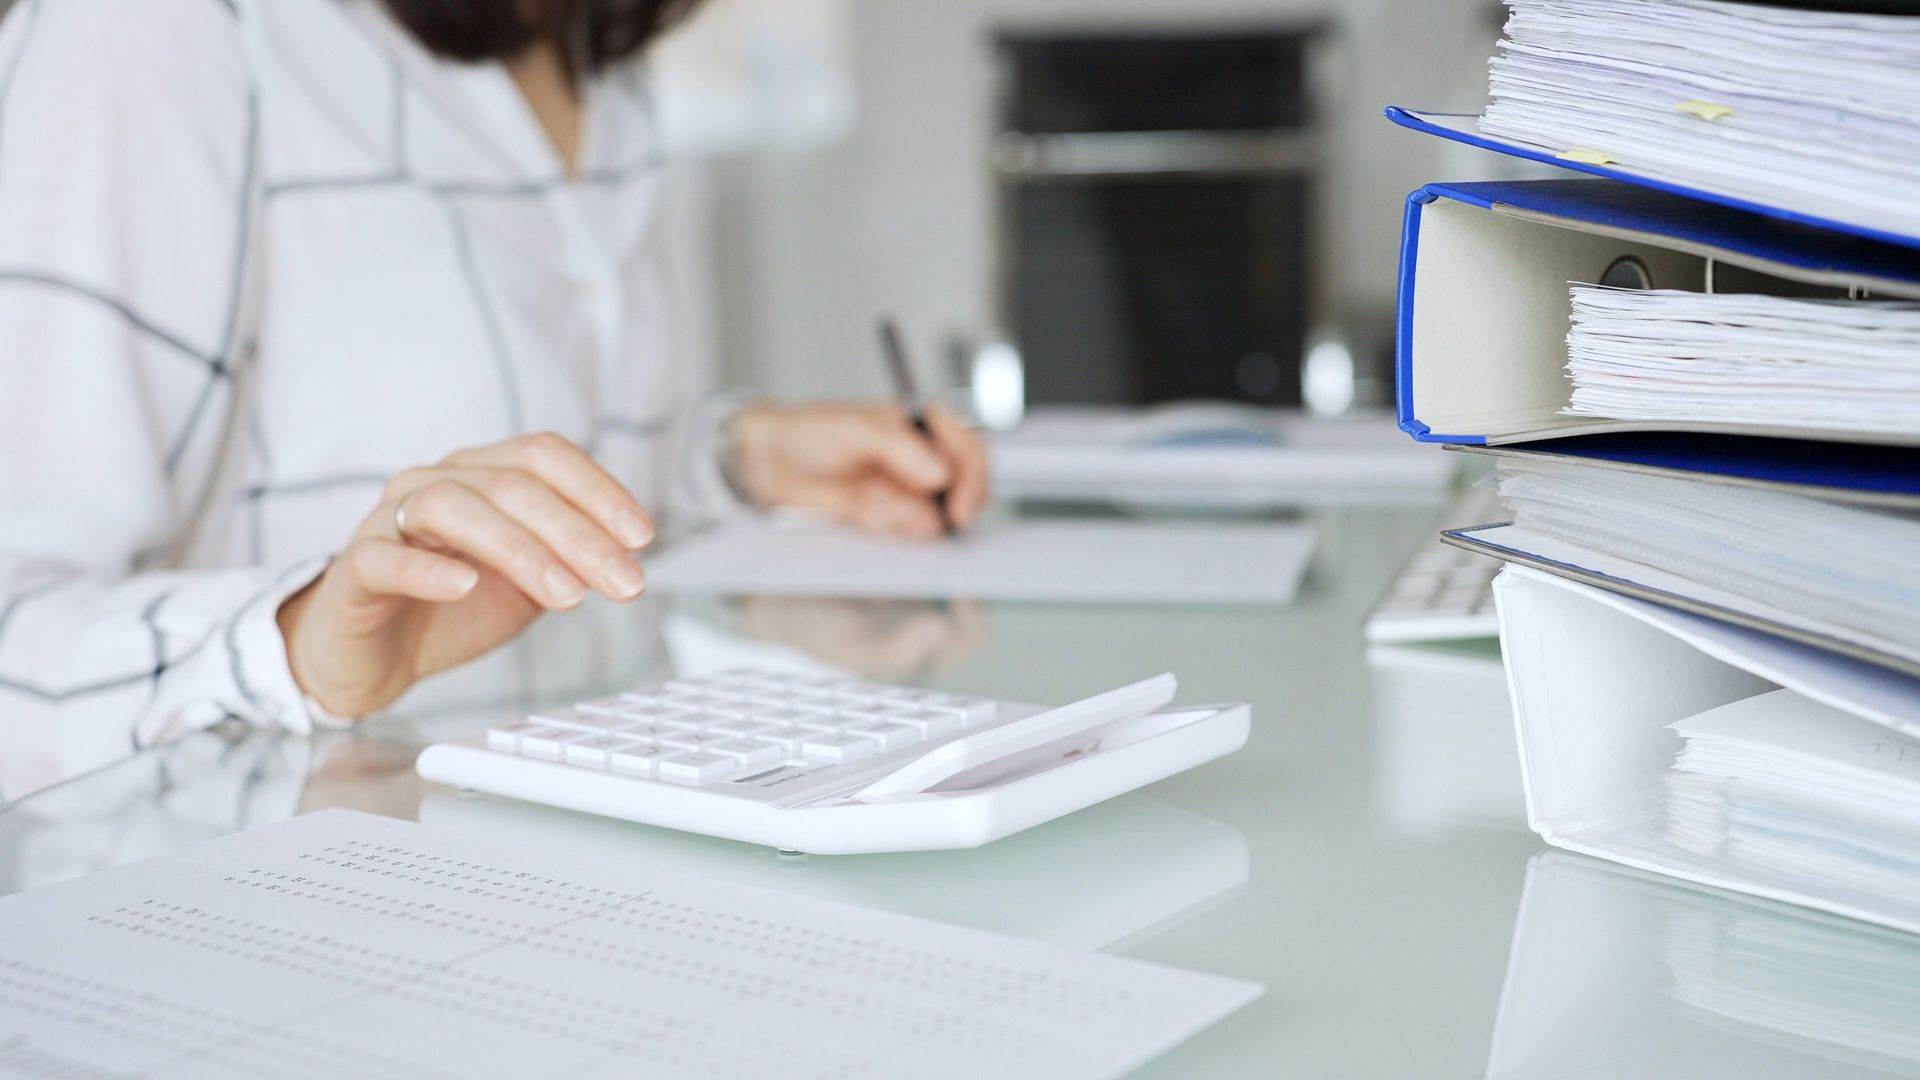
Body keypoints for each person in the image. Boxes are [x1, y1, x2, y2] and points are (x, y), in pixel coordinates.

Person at [0, 0, 989, 801]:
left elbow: (526, 472)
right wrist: (297, 642)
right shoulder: (145, 32)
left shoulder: (595, 48)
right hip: (271, 915)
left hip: (568, 855)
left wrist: (739, 455)